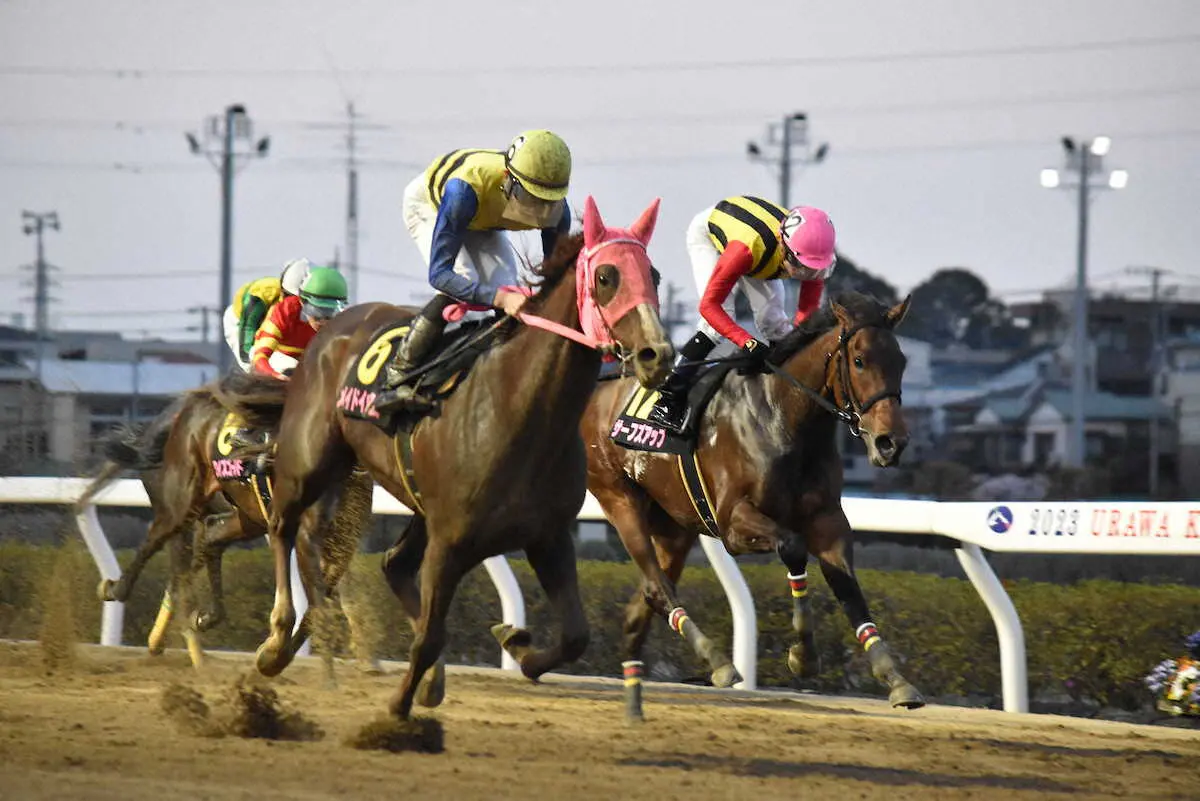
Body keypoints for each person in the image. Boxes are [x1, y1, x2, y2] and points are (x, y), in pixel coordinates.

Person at [372, 129, 573, 413]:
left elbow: (554, 283)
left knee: (508, 286)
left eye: (547, 202)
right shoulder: (462, 192)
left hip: (484, 219)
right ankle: (396, 377)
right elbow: (440, 275)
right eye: (529, 198)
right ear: (508, 179)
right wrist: (501, 298)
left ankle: (503, 373)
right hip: (433, 206)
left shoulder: (558, 214)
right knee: (465, 280)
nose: (538, 213)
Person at [648, 197, 838, 434]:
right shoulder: (746, 249)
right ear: (784, 246)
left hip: (762, 252)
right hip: (714, 239)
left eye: (813, 269)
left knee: (777, 326)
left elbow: (805, 316)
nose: (805, 274)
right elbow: (709, 306)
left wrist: (797, 345)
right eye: (800, 265)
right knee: (713, 327)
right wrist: (746, 342)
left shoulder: (813, 257)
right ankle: (668, 398)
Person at [249, 267, 349, 380]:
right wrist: (276, 376)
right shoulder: (285, 311)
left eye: (331, 313)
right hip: (279, 357)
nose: (323, 321)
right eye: (316, 311)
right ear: (302, 301)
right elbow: (259, 358)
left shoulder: (343, 321)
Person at [222, 258, 312, 372]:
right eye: (289, 297)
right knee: (252, 363)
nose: (292, 304)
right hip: (240, 321)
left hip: (266, 321)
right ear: (282, 289)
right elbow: (248, 329)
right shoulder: (261, 294)